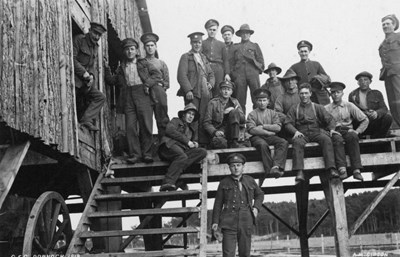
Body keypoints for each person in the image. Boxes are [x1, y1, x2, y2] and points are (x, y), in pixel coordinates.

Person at [105, 38, 162, 164]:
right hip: (128, 97)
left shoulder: (144, 63)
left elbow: (157, 75)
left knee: (146, 125)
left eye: (132, 49)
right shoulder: (122, 67)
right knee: (130, 127)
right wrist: (106, 69)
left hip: (143, 94)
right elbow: (113, 81)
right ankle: (135, 154)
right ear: (124, 51)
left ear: (136, 51)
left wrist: (147, 84)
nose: (129, 52)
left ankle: (147, 154)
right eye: (127, 49)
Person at [212, 153, 264, 257]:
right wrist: (215, 222)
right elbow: (218, 204)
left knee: (245, 253)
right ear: (229, 168)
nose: (236, 168)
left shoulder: (250, 180)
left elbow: (260, 194)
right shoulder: (224, 183)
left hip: (246, 220)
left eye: (238, 165)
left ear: (243, 167)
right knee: (228, 253)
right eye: (233, 166)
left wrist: (256, 208)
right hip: (228, 221)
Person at [285, 83, 338, 182]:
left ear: (310, 94)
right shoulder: (294, 108)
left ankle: (331, 169)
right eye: (301, 94)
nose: (304, 96)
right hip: (302, 133)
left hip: (316, 131)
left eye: (306, 93)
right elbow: (287, 123)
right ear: (299, 95)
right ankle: (299, 171)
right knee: (297, 142)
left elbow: (330, 119)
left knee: (326, 139)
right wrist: (295, 132)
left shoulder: (317, 107)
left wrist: (331, 129)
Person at [325, 82, 369, 181]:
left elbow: (365, 119)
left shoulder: (349, 105)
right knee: (337, 140)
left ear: (342, 93)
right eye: (333, 92)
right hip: (334, 131)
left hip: (347, 130)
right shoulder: (326, 109)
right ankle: (342, 169)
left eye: (338, 92)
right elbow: (321, 124)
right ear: (330, 94)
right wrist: (330, 131)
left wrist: (357, 131)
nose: (335, 94)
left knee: (353, 137)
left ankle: (356, 170)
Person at [177, 32, 215, 146]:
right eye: (195, 42)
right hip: (193, 92)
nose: (197, 45)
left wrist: (211, 84)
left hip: (205, 92)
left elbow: (211, 73)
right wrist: (188, 90)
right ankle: (191, 142)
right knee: (192, 117)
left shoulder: (203, 58)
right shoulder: (186, 57)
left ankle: (203, 143)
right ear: (191, 43)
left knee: (204, 116)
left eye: (199, 42)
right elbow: (181, 75)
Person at [158, 103, 207, 191]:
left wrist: (195, 144)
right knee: (182, 156)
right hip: (169, 146)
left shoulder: (191, 131)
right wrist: (187, 141)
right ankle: (167, 182)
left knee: (202, 152)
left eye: (193, 115)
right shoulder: (176, 121)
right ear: (184, 114)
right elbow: (169, 130)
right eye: (189, 113)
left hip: (181, 151)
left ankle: (177, 173)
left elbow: (193, 143)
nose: (191, 116)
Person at [246, 88, 288, 186]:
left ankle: (277, 166)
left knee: (283, 142)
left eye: (264, 100)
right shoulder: (252, 114)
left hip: (270, 137)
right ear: (256, 101)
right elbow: (252, 129)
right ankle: (269, 169)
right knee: (262, 144)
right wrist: (269, 132)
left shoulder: (273, 113)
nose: (262, 103)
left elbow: (277, 128)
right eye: (259, 100)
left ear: (268, 101)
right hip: (257, 138)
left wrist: (263, 126)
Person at [73, 22, 107, 131]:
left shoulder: (95, 47)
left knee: (100, 97)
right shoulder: (79, 39)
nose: (97, 37)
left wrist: (91, 75)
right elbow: (71, 59)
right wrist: (84, 73)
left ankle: (86, 120)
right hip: (74, 79)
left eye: (99, 35)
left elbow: (91, 65)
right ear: (90, 30)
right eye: (95, 33)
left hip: (85, 82)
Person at [140, 32, 170, 140]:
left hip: (159, 91)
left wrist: (160, 88)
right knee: (146, 121)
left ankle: (165, 144)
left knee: (162, 119)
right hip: (146, 93)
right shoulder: (141, 63)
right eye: (147, 46)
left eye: (152, 45)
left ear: (156, 46)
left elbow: (166, 82)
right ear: (144, 48)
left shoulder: (161, 63)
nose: (150, 48)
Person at [231, 24, 265, 114]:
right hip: (239, 75)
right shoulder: (235, 47)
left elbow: (261, 63)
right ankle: (241, 124)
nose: (245, 35)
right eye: (243, 33)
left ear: (250, 35)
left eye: (247, 33)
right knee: (240, 99)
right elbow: (231, 63)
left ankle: (257, 121)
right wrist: (234, 74)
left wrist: (255, 68)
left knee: (257, 97)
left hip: (253, 74)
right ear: (240, 35)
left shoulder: (255, 46)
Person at [348, 71, 393, 138]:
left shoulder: (377, 93)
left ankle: (378, 137)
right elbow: (351, 111)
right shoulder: (352, 94)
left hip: (373, 121)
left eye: (365, 80)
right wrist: (362, 114)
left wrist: (376, 113)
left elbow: (384, 108)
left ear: (370, 81)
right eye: (360, 80)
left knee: (388, 118)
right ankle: (358, 136)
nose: (363, 82)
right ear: (358, 83)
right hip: (360, 121)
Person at [204, 81, 245, 149]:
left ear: (231, 92)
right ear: (220, 91)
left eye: (228, 89)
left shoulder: (235, 102)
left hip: (232, 132)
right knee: (221, 143)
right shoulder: (213, 103)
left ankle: (234, 141)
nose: (226, 91)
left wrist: (233, 110)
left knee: (234, 112)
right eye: (224, 89)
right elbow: (206, 123)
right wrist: (215, 132)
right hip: (220, 132)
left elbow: (243, 120)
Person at [290, 40, 331, 105]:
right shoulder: (294, 67)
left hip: (319, 98)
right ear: (298, 53)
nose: (303, 54)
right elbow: (287, 80)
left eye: (305, 51)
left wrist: (319, 80)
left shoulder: (316, 64)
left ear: (309, 52)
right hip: (303, 98)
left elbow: (327, 80)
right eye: (301, 52)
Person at [379, 14, 400, 127]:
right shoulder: (382, 44)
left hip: (398, 73)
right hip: (388, 76)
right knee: (393, 104)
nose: (385, 26)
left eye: (388, 23)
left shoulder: (398, 37)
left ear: (394, 25)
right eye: (383, 24)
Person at [202, 19, 229, 98]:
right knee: (206, 90)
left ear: (217, 30)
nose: (212, 31)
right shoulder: (203, 43)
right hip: (207, 69)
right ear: (207, 30)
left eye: (214, 30)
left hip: (218, 70)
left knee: (218, 90)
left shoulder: (221, 44)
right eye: (210, 30)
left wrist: (227, 73)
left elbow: (226, 60)